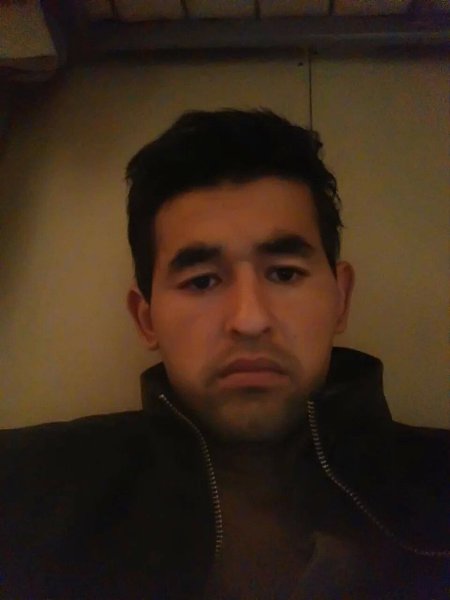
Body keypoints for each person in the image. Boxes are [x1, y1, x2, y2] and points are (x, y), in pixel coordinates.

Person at [0, 109, 448, 600]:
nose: (249, 320)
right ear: (146, 319)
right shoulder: (25, 494)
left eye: (284, 273)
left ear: (340, 299)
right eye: (201, 281)